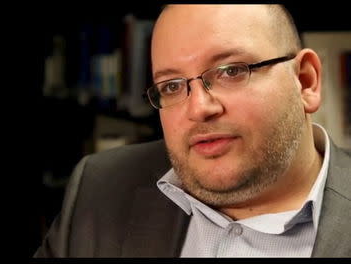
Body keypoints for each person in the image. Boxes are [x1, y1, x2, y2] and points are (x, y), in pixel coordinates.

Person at [34, 4, 351, 257]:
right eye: (171, 85)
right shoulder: (101, 187)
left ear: (306, 81)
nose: (199, 108)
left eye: (231, 71)